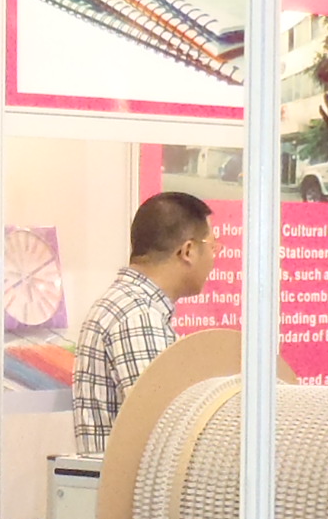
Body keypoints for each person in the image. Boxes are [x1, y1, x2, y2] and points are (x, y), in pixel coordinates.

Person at [70, 192, 218, 455]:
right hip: (133, 482)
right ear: (188, 251)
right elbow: (166, 431)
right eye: (212, 247)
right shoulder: (138, 316)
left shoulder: (126, 305)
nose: (214, 258)